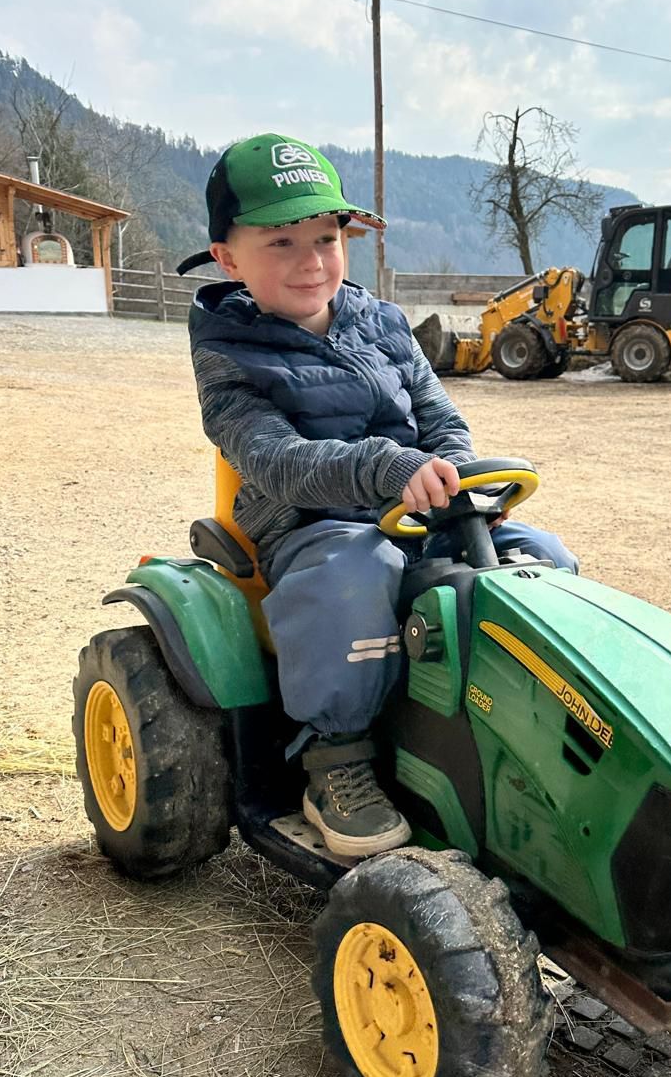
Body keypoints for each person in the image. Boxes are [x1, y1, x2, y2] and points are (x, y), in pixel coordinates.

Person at [183, 132, 577, 863]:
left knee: (542, 558)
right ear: (228, 257)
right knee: (356, 573)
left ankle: (534, 732)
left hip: (417, 509)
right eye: (282, 242)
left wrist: (455, 476)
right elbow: (277, 460)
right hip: (309, 524)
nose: (312, 261)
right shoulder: (229, 353)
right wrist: (387, 468)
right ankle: (337, 760)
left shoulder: (382, 322)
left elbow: (439, 419)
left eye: (327, 238)